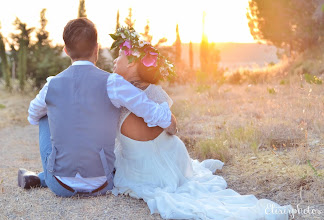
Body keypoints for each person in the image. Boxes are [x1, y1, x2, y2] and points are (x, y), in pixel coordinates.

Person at [110, 27, 293, 220]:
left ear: (131, 64)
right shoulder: (153, 90)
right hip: (174, 159)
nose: (115, 60)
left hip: (145, 171)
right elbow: (173, 127)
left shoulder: (114, 91)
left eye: (120, 55)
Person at [18, 18, 177, 197]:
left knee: (43, 114)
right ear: (97, 48)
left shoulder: (51, 85)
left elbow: (32, 116)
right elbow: (153, 112)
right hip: (103, 183)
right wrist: (169, 121)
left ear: (66, 50)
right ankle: (40, 177)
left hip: (61, 186)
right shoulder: (113, 83)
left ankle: (43, 177)